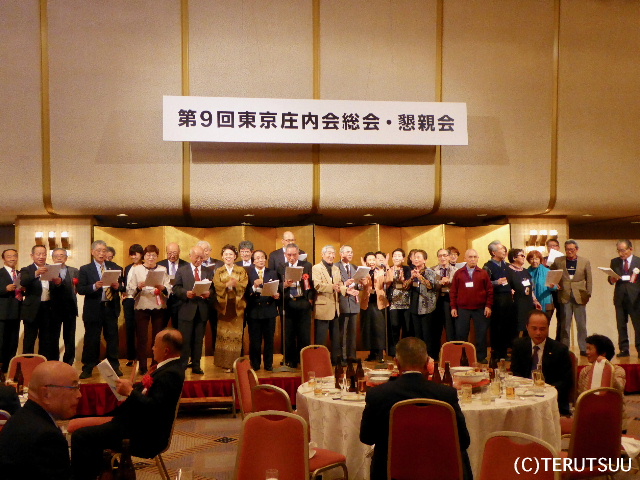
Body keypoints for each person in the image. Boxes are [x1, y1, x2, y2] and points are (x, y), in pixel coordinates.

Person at [71, 329, 185, 480]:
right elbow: (148, 395)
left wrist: (130, 392)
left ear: (166, 351)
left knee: (81, 437)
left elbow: (154, 408)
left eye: (155, 345)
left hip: (144, 436)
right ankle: (103, 473)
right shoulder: (168, 368)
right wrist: (130, 388)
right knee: (89, 435)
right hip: (136, 425)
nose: (152, 348)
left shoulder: (170, 374)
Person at [360, 337, 472, 480]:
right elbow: (463, 441)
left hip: (390, 473)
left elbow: (367, 438)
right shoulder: (446, 394)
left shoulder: (378, 394)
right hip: (439, 471)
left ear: (397, 363)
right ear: (426, 363)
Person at [0, 361, 81, 480]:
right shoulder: (46, 437)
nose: (79, 395)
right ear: (46, 394)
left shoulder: (22, 417)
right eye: (74, 388)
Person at [511, 310, 573, 415]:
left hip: (550, 400)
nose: (538, 333)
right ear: (527, 327)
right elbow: (516, 373)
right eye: (534, 328)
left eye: (542, 329)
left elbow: (565, 381)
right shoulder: (519, 345)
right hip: (523, 396)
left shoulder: (559, 349)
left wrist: (544, 390)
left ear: (548, 328)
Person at [77, 240, 123, 379]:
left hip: (110, 307)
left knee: (112, 338)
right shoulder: (85, 269)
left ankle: (114, 366)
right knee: (92, 339)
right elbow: (81, 289)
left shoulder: (114, 267)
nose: (101, 253)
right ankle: (88, 367)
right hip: (93, 309)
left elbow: (123, 287)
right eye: (98, 251)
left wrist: (118, 287)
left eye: (104, 250)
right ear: (93, 252)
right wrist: (94, 286)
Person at [127, 245, 171, 374]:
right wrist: (139, 287)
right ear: (144, 256)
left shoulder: (162, 269)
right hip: (142, 305)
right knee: (142, 337)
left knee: (158, 337)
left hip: (158, 305)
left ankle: (155, 364)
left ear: (157, 257)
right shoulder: (137, 269)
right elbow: (130, 290)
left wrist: (163, 288)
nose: (151, 258)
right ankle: (142, 365)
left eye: (154, 255)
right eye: (148, 255)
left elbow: (168, 288)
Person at [173, 245, 213, 375]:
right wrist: (186, 293)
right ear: (190, 256)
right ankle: (183, 365)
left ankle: (196, 365)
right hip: (186, 309)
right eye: (196, 257)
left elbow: (213, 288)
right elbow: (176, 288)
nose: (199, 260)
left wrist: (209, 293)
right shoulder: (182, 270)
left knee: (198, 340)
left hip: (202, 310)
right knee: (185, 340)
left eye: (201, 258)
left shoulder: (208, 271)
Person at [450, 249, 493, 362]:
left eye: (475, 257)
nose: (473, 259)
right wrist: (453, 307)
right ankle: (462, 357)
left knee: (481, 334)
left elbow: (489, 291)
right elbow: (453, 291)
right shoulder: (459, 273)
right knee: (461, 334)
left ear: (478, 258)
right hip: (462, 308)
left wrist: (488, 306)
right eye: (470, 257)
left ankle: (481, 357)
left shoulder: (483, 273)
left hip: (480, 308)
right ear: (465, 259)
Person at [550, 239, 592, 356]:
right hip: (564, 295)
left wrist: (588, 294)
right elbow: (551, 272)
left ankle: (583, 348)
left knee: (581, 324)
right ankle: (565, 347)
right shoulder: (558, 261)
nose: (569, 252)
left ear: (576, 249)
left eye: (572, 249)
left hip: (580, 295)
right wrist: (554, 282)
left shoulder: (585, 261)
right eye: (567, 249)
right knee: (565, 325)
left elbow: (589, 279)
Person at [278, 243, 314, 368]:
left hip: (303, 301)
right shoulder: (282, 266)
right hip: (288, 302)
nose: (292, 257)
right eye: (289, 255)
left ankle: (304, 359)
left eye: (294, 254)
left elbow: (312, 284)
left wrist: (310, 299)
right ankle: (290, 359)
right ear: (285, 255)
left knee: (304, 334)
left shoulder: (307, 265)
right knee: (289, 333)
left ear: (298, 254)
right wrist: (284, 285)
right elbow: (277, 284)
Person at [213, 244, 248, 372]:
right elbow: (216, 285)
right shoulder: (218, 271)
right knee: (223, 336)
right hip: (224, 307)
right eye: (226, 254)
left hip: (237, 306)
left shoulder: (241, 270)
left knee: (236, 337)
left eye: (231, 254)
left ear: (235, 256)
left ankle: (235, 364)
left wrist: (236, 284)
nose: (228, 256)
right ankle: (224, 363)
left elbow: (244, 284)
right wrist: (226, 285)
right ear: (222, 256)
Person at [245, 250, 279, 371]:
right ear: (253, 261)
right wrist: (254, 287)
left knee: (269, 340)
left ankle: (269, 364)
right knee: (255, 340)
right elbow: (245, 293)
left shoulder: (272, 272)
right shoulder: (248, 273)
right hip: (254, 311)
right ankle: (255, 364)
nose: (260, 260)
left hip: (269, 310)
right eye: (257, 258)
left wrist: (276, 295)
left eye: (262, 257)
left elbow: (277, 288)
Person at [20, 245, 54, 359]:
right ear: (32, 255)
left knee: (46, 338)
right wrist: (36, 273)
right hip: (32, 309)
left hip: (47, 307)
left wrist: (58, 282)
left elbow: (55, 289)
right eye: (38, 254)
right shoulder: (26, 269)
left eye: (44, 254)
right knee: (30, 338)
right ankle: (27, 363)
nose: (41, 256)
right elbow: (23, 282)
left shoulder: (51, 268)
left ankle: (43, 363)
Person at [608, 239, 640, 357]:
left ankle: (639, 348)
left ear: (630, 249)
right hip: (620, 297)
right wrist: (612, 279)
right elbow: (610, 279)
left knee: (638, 325)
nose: (621, 253)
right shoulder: (615, 262)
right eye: (618, 251)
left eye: (623, 250)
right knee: (621, 325)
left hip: (635, 298)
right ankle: (624, 349)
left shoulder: (638, 261)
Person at [482, 241, 513, 361]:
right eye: (501, 249)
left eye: (504, 249)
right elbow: (483, 283)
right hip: (496, 299)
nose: (504, 251)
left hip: (508, 299)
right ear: (493, 252)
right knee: (497, 327)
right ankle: (496, 354)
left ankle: (504, 353)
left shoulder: (507, 265)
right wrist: (496, 282)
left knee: (507, 326)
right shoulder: (488, 266)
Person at [312, 245, 343, 364]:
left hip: (335, 308)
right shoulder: (316, 268)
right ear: (322, 254)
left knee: (336, 338)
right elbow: (317, 285)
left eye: (333, 253)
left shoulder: (336, 268)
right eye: (328, 253)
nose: (331, 256)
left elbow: (340, 284)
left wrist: (347, 289)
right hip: (322, 307)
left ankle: (336, 361)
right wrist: (332, 287)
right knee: (321, 338)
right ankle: (319, 362)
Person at [49, 248, 79, 365]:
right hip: (53, 309)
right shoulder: (48, 270)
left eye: (62, 255)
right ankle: (53, 362)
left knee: (70, 338)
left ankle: (68, 363)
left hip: (70, 308)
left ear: (66, 258)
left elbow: (79, 287)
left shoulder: (74, 271)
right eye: (56, 255)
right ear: (52, 258)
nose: (59, 257)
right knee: (53, 338)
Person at [360, 252, 389, 362]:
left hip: (379, 303)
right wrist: (363, 274)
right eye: (369, 260)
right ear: (366, 261)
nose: (371, 262)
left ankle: (380, 353)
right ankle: (372, 353)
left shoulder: (381, 271)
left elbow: (389, 280)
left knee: (379, 329)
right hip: (367, 303)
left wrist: (386, 267)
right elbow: (359, 285)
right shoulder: (363, 271)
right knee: (369, 329)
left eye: (373, 259)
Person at [506, 248, 541, 337]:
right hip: (516, 304)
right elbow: (506, 287)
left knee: (528, 327)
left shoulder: (525, 271)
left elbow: (530, 288)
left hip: (528, 303)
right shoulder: (508, 271)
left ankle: (526, 344)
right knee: (517, 328)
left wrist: (535, 301)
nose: (524, 257)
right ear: (514, 258)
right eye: (521, 255)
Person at [197, 240, 223, 354]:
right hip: (199, 301)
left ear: (210, 251)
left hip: (215, 301)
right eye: (202, 250)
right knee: (199, 329)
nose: (205, 252)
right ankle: (197, 356)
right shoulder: (195, 264)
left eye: (206, 250)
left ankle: (216, 354)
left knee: (216, 328)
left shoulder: (219, 264)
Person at [386, 248, 412, 356]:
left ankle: (405, 351)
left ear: (403, 258)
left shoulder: (407, 269)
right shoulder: (389, 269)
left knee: (407, 327)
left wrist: (402, 280)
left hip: (406, 302)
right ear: (392, 258)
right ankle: (394, 352)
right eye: (395, 256)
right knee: (394, 326)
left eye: (399, 256)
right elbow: (386, 285)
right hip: (393, 303)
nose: (397, 258)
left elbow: (408, 285)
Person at [409, 249, 437, 347]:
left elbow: (430, 286)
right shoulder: (412, 272)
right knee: (417, 335)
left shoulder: (430, 272)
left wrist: (420, 277)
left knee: (427, 334)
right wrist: (412, 278)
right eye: (414, 257)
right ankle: (419, 353)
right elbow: (405, 287)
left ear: (425, 260)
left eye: (418, 257)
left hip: (427, 307)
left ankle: (428, 354)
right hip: (414, 306)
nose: (416, 259)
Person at [336, 245, 360, 361]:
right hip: (342, 301)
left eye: (351, 252)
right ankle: (343, 356)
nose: (350, 254)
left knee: (352, 331)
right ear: (341, 254)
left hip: (354, 302)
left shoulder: (355, 267)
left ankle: (352, 355)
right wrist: (345, 284)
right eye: (347, 252)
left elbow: (358, 285)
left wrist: (360, 285)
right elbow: (336, 284)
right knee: (343, 331)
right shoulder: (336, 267)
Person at [121, 243, 144, 366]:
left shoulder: (145, 267)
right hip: (128, 300)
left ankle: (141, 356)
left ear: (141, 255)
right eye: (132, 254)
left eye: (136, 254)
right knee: (129, 329)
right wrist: (123, 293)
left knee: (140, 329)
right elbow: (125, 284)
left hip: (140, 299)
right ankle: (131, 357)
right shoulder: (127, 268)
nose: (134, 257)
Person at [157, 242, 188, 329]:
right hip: (164, 300)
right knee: (161, 327)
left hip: (180, 301)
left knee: (179, 328)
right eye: (169, 253)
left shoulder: (186, 265)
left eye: (175, 253)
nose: (172, 256)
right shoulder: (160, 265)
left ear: (179, 252)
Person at [431, 248, 458, 345]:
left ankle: (452, 350)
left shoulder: (456, 270)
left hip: (449, 300)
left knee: (450, 328)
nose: (442, 258)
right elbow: (430, 285)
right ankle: (435, 352)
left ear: (449, 257)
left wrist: (449, 281)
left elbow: (457, 285)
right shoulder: (432, 270)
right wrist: (440, 282)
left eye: (445, 255)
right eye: (440, 256)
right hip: (436, 300)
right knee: (436, 328)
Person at [0, 248, 21, 370]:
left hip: (17, 311)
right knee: (1, 341)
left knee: (13, 341)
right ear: (3, 258)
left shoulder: (19, 273)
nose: (12, 258)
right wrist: (5, 289)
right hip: (2, 313)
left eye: (14, 256)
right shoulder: (0, 273)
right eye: (9, 256)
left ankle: (9, 368)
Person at [543, 238, 565, 340]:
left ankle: (558, 342)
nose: (552, 248)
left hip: (560, 292)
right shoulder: (543, 260)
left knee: (561, 317)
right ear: (547, 248)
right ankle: (544, 340)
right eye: (550, 246)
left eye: (554, 246)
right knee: (546, 318)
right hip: (548, 293)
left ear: (558, 247)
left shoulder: (563, 260)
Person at [527, 250, 556, 321]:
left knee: (545, 324)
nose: (534, 261)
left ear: (540, 260)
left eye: (536, 259)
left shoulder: (547, 271)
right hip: (531, 303)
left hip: (546, 302)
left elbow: (554, 287)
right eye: (532, 259)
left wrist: (552, 286)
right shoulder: (526, 272)